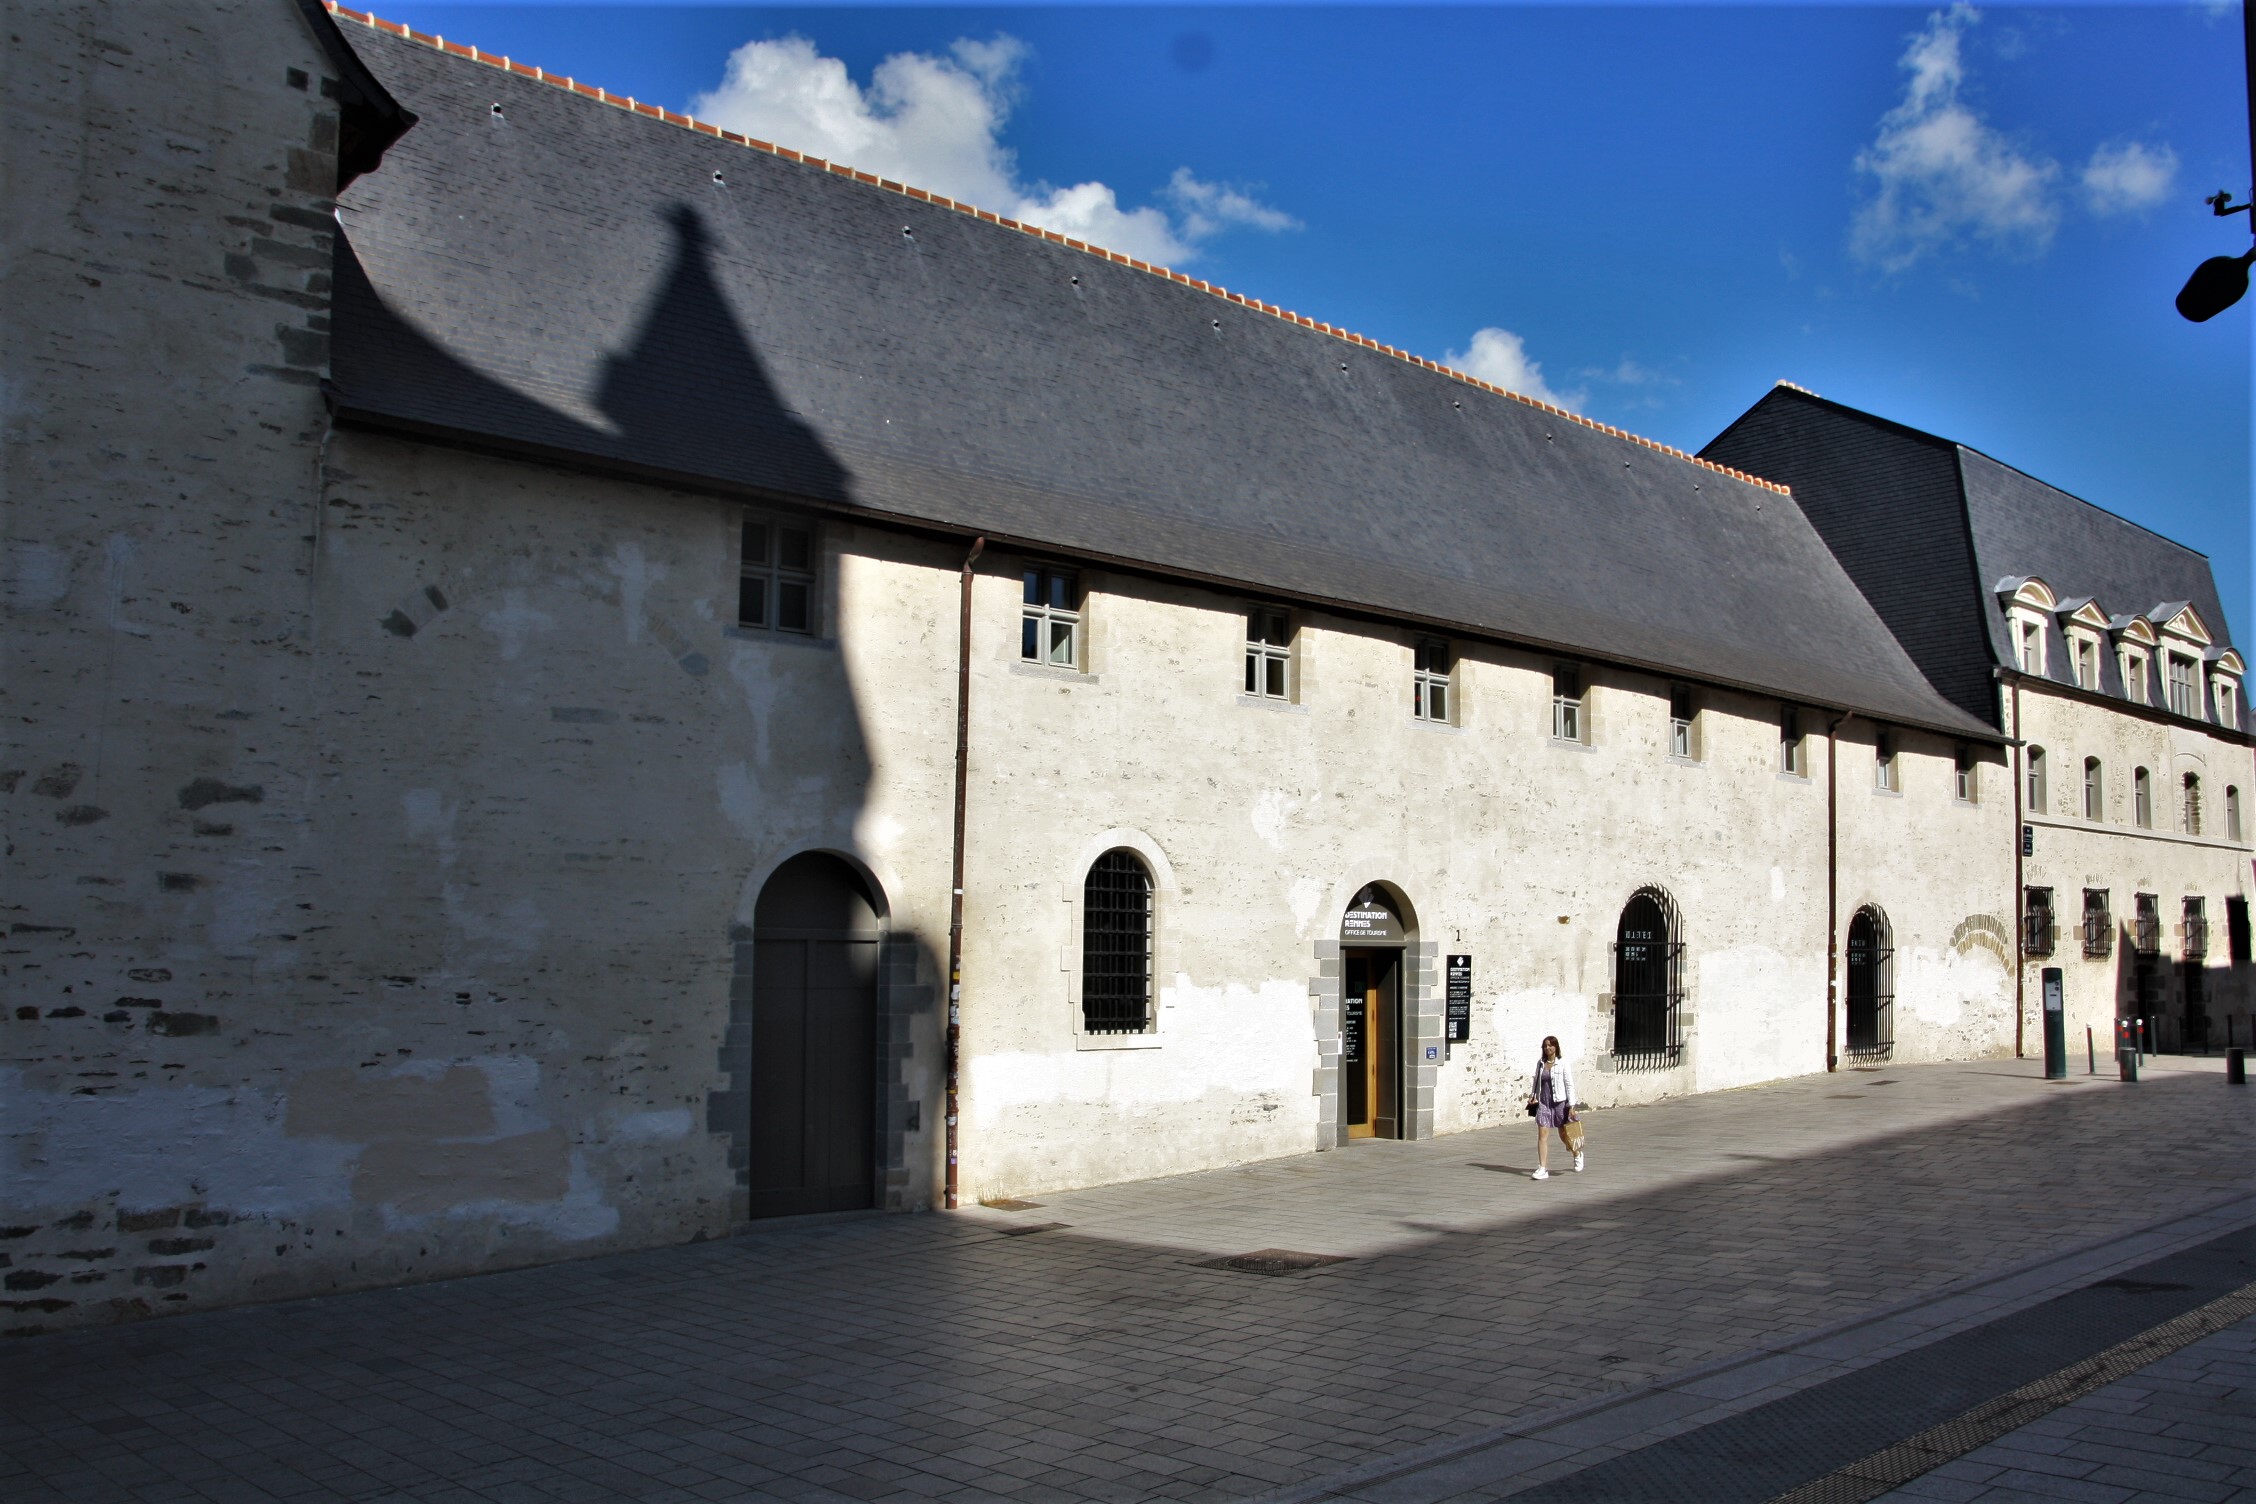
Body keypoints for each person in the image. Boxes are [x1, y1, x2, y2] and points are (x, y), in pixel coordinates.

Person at [1526, 1035, 1583, 1179]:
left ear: (1556, 1047)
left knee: (1564, 1135)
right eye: (1545, 1046)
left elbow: (1569, 1084)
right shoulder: (1540, 1063)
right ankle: (1542, 1168)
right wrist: (1533, 1095)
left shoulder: (1563, 1063)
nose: (1547, 1048)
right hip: (1544, 1103)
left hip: (1560, 1103)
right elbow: (1536, 1081)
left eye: (1550, 1045)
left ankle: (1577, 1153)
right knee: (1542, 1135)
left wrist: (1571, 1105)